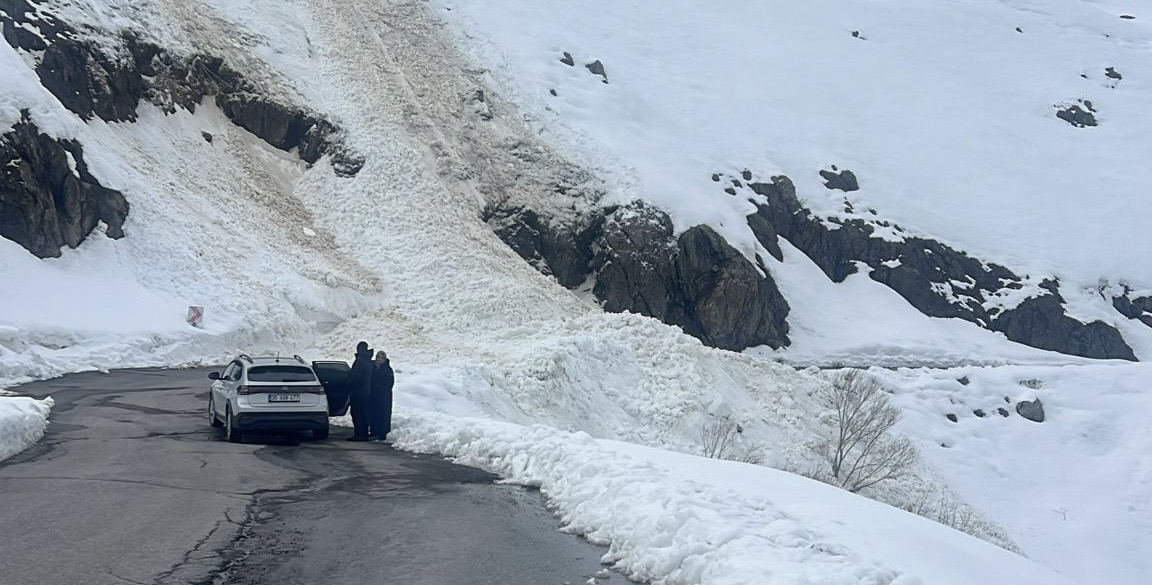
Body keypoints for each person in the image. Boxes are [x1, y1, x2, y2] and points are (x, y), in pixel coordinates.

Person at [347, 341, 374, 441]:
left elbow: (355, 377)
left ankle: (359, 434)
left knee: (357, 413)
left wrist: (349, 384)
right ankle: (364, 434)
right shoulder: (368, 360)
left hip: (358, 392)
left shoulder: (360, 360)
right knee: (363, 413)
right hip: (366, 392)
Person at [368, 350, 394, 441]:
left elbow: (389, 383)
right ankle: (374, 432)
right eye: (378, 357)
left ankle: (382, 433)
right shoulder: (373, 368)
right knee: (373, 414)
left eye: (382, 358)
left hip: (384, 396)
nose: (379, 359)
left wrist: (380, 388)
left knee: (383, 415)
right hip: (373, 396)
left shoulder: (387, 369)